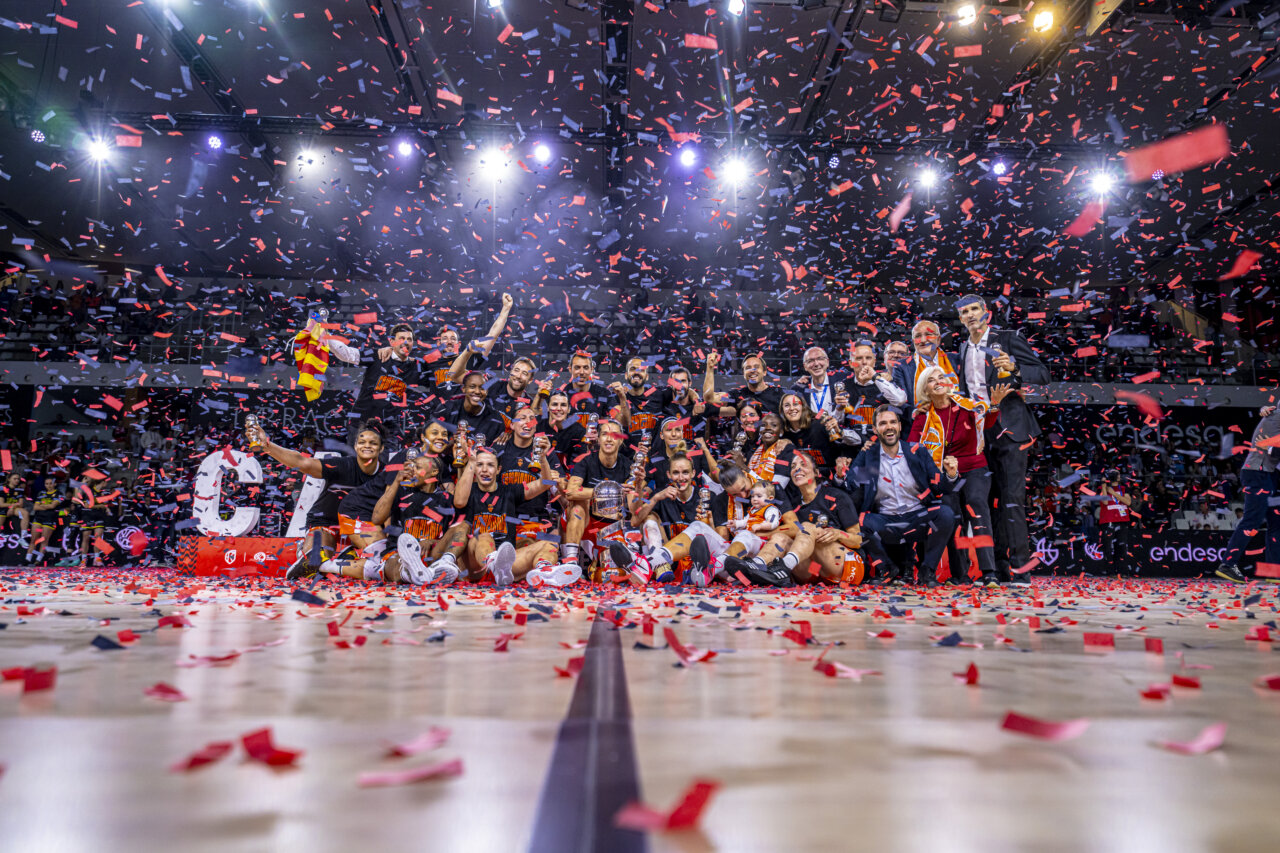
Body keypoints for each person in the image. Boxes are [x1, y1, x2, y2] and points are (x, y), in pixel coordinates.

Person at [956, 294, 1051, 584]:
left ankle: (1020, 569)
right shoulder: (962, 348)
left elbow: (1043, 374)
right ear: (960, 319)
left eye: (974, 309)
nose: (970, 315)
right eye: (964, 312)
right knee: (988, 501)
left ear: (985, 312)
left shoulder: (1008, 338)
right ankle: (997, 569)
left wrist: (1016, 369)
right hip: (980, 433)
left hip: (1011, 429)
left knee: (1011, 500)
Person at [908, 365, 1009, 586]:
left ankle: (989, 571)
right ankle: (960, 574)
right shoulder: (923, 417)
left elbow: (988, 422)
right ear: (926, 389)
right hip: (945, 475)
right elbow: (912, 449)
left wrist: (995, 405)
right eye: (931, 380)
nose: (938, 381)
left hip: (975, 467)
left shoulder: (967, 406)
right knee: (951, 517)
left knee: (976, 505)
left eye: (941, 377)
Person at [247, 419, 386, 580]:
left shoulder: (386, 474)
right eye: (362, 442)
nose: (367, 446)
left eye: (373, 443)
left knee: (379, 558)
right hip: (326, 522)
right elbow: (302, 462)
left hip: (359, 526)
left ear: (381, 448)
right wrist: (267, 446)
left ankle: (348, 556)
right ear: (355, 446)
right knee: (315, 559)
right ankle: (311, 552)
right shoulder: (342, 465)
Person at [844, 406, 958, 587]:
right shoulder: (869, 456)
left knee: (945, 514)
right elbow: (852, 484)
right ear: (875, 430)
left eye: (892, 422)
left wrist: (951, 475)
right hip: (885, 521)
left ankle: (927, 571)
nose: (888, 427)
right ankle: (887, 568)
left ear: (898, 425)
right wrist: (860, 455)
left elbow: (939, 489)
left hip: (917, 517)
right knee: (860, 523)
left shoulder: (917, 451)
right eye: (882, 423)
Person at [453, 444, 577, 587]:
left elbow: (545, 484)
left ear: (498, 470)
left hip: (506, 568)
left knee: (548, 545)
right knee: (484, 536)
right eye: (480, 465)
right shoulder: (468, 490)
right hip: (475, 565)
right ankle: (494, 566)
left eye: (490, 465)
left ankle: (544, 571)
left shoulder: (509, 491)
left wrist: (542, 458)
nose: (485, 470)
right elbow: (459, 502)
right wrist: (471, 461)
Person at [749, 450, 863, 586]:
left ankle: (784, 566)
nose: (797, 469)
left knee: (808, 527)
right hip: (816, 573)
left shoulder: (836, 496)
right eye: (793, 467)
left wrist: (838, 534)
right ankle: (754, 567)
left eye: (803, 464)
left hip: (846, 566)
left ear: (816, 473)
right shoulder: (794, 505)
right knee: (781, 538)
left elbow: (858, 540)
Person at [1216, 403, 1280, 582]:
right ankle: (1227, 565)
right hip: (1258, 473)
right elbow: (1273, 449)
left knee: (1276, 522)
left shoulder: (1275, 414)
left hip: (1267, 474)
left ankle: (1273, 571)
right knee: (1252, 520)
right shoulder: (1277, 415)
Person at [561, 419, 633, 566]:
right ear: (599, 439)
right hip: (585, 521)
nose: (609, 438)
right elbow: (570, 492)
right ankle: (570, 561)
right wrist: (607, 491)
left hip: (610, 525)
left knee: (609, 574)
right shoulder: (586, 462)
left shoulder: (629, 466)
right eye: (605, 434)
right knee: (578, 505)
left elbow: (633, 507)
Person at [842, 341, 907, 443]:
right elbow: (839, 421)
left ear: (874, 362)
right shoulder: (844, 386)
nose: (864, 362)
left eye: (868, 358)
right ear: (851, 363)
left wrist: (875, 377)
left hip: (883, 446)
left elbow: (900, 400)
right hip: (852, 447)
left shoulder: (885, 383)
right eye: (859, 358)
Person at [891, 320, 960, 411]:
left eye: (929, 334)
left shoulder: (956, 359)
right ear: (913, 341)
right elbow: (901, 402)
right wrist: (915, 412)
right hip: (921, 421)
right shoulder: (901, 367)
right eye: (918, 336)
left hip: (955, 418)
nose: (923, 340)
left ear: (938, 339)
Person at [704, 351, 785, 420]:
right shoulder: (736, 396)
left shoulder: (779, 394)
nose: (752, 370)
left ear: (764, 372)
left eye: (756, 367)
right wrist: (710, 367)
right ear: (743, 374)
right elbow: (709, 398)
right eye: (748, 368)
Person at [794, 347, 842, 418]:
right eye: (810, 361)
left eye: (820, 359)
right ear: (805, 366)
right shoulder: (799, 388)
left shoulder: (842, 380)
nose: (816, 364)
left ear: (827, 362)